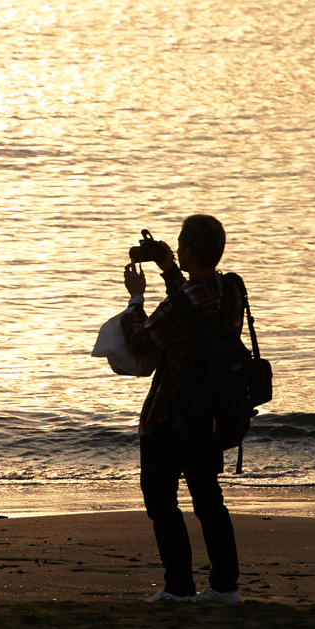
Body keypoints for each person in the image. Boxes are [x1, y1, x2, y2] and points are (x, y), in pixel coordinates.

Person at [120, 213, 245, 604]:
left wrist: (135, 299)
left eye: (178, 245)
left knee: (161, 501)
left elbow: (142, 341)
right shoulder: (231, 292)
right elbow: (194, 308)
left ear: (189, 250)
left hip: (168, 415)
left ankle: (179, 588)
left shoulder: (180, 305)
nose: (175, 248)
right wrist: (169, 268)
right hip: (211, 414)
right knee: (208, 500)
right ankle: (225, 588)